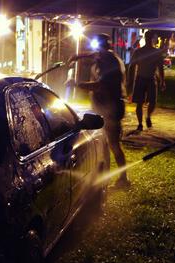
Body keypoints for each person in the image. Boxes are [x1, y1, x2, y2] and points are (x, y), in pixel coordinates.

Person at [69, 33, 130, 188]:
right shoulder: (104, 56)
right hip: (102, 107)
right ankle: (105, 177)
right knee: (103, 145)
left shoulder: (109, 62)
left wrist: (77, 84)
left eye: (98, 47)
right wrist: (78, 56)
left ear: (104, 47)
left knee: (113, 145)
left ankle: (123, 179)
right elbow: (93, 54)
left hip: (111, 108)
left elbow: (100, 85)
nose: (95, 52)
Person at [128, 30, 166, 131]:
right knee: (139, 103)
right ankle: (140, 123)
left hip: (150, 79)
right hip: (141, 78)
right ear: (150, 38)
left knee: (152, 102)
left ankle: (148, 117)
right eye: (155, 37)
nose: (156, 39)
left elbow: (160, 68)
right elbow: (132, 66)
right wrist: (130, 80)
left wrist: (162, 80)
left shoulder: (156, 52)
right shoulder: (139, 51)